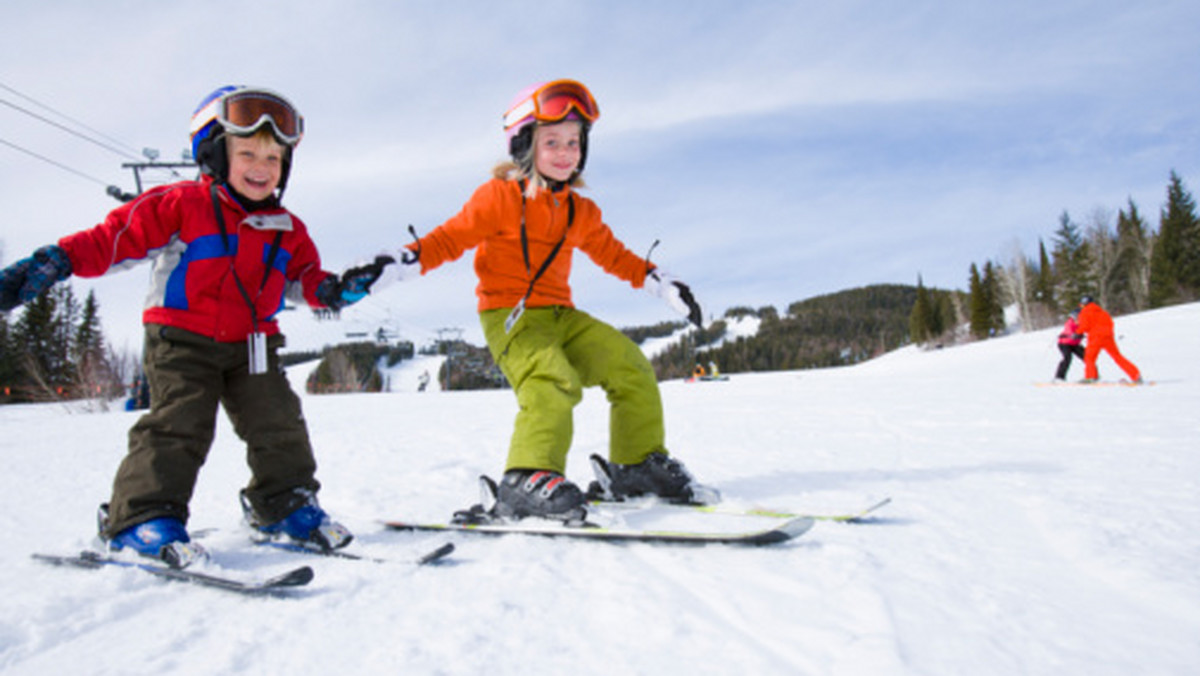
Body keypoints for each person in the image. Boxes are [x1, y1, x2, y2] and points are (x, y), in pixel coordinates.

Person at [0, 86, 377, 567]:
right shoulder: (180, 204)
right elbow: (115, 238)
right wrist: (59, 259)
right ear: (215, 154)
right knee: (181, 424)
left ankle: (283, 505)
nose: (262, 167)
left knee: (277, 420)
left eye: (274, 158)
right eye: (247, 154)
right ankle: (138, 518)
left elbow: (302, 279)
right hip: (181, 338)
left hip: (254, 343)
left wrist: (333, 290)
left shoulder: (288, 227)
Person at [366, 79, 715, 522]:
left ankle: (636, 464)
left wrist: (661, 283)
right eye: (552, 142)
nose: (566, 152)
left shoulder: (578, 211)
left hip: (561, 316)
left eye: (574, 142)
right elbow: (450, 239)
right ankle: (526, 478)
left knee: (630, 364)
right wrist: (396, 263)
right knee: (552, 382)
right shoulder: (498, 198)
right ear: (525, 146)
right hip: (510, 317)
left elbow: (614, 255)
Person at [1076, 295, 1142, 384]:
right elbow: (1110, 323)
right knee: (1117, 357)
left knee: (1089, 357)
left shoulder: (1084, 312)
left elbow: (1085, 326)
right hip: (1108, 337)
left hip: (1095, 337)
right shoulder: (1103, 312)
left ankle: (1091, 377)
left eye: (1081, 305)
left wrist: (1077, 333)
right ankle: (1135, 375)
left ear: (1084, 304)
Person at [1053, 312, 1086, 381]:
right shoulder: (1069, 323)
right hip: (1064, 344)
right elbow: (1070, 332)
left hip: (1075, 344)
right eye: (1077, 319)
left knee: (1087, 357)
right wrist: (1077, 335)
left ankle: (1092, 375)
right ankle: (1059, 377)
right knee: (1067, 358)